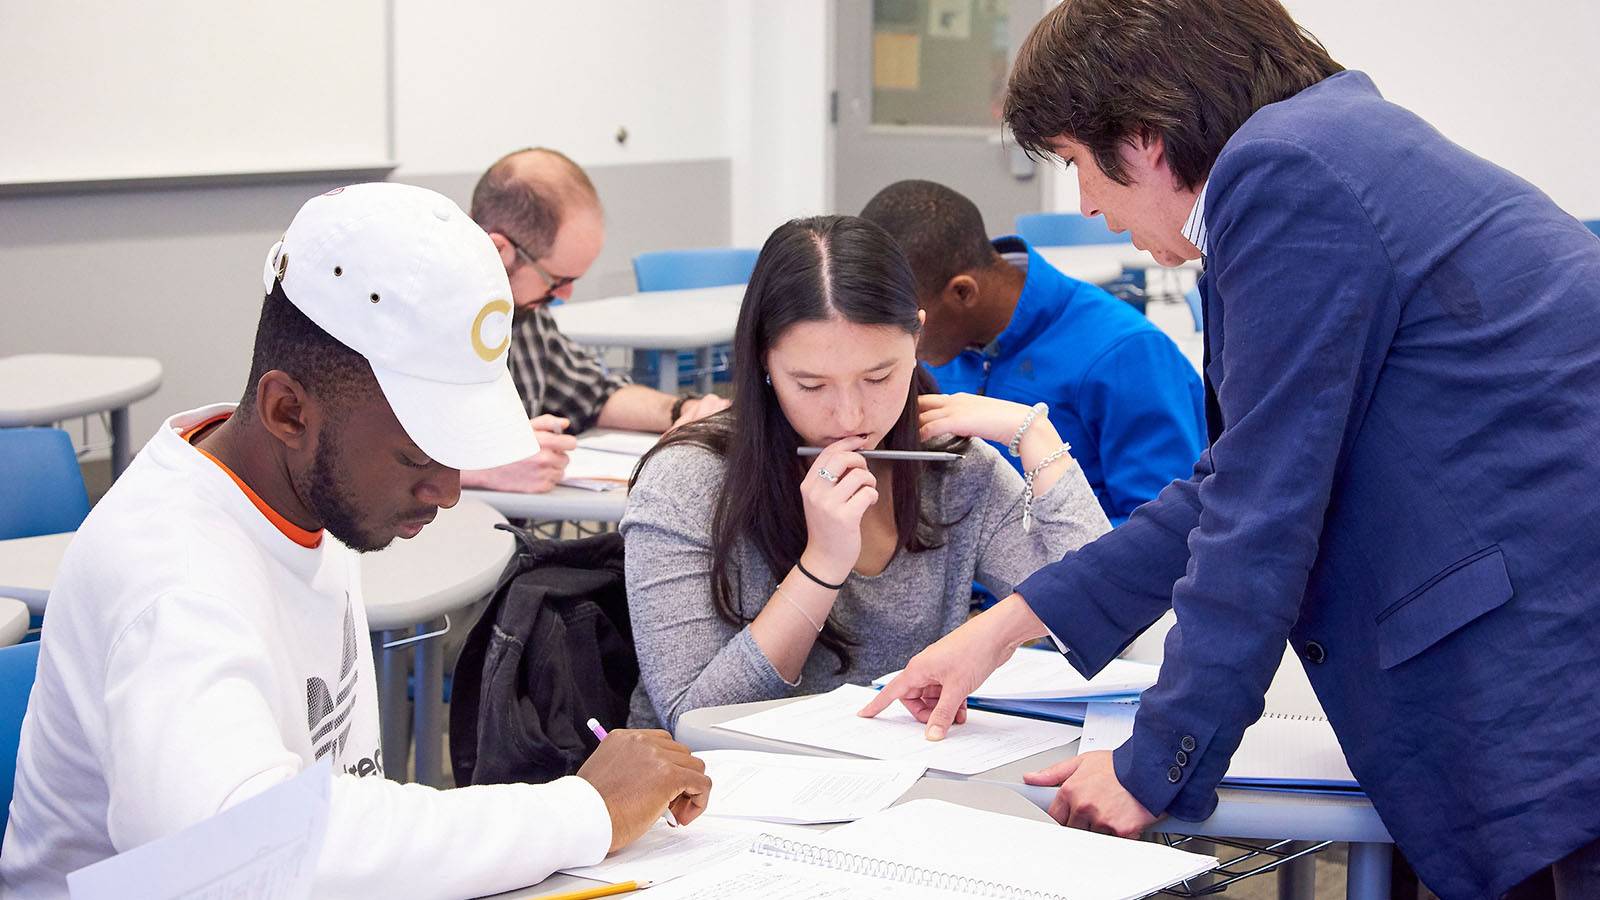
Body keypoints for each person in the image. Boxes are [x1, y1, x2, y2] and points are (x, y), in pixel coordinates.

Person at [862, 2, 1600, 898]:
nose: (1088, 206)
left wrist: (1151, 764)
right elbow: (1231, 484)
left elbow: (1262, 512)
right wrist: (1002, 627)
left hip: (1551, 670)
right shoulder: (1333, 142)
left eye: (1077, 165)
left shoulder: (1284, 177)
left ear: (1145, 135)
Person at [0, 184, 712, 900]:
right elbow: (235, 859)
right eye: (416, 457)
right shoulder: (170, 576)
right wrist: (578, 811)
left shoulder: (304, 489)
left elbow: (333, 815)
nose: (448, 490)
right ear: (288, 410)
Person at [620, 215, 1111, 731]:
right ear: (764, 361)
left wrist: (1038, 438)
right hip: (722, 795)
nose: (851, 417)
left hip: (902, 785)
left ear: (917, 339)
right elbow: (691, 719)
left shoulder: (950, 463)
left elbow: (1101, 611)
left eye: (879, 376)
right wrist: (822, 565)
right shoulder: (686, 481)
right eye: (811, 386)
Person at [861, 179, 1205, 526]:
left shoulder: (1128, 355)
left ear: (962, 293)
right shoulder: (937, 341)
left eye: (908, 321)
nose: (893, 339)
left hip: (1073, 573)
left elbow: (1164, 531)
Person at [462, 147, 728, 493]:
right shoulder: (407, 320)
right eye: (557, 280)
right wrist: (478, 469)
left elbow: (595, 395)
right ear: (498, 250)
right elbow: (371, 467)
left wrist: (684, 411)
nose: (564, 296)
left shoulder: (524, 314)